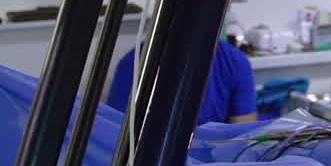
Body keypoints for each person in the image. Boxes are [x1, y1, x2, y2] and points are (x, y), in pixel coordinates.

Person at [106, 37, 258, 126]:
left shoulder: (235, 62)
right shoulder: (133, 64)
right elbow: (117, 129)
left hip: (214, 159)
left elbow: (242, 135)